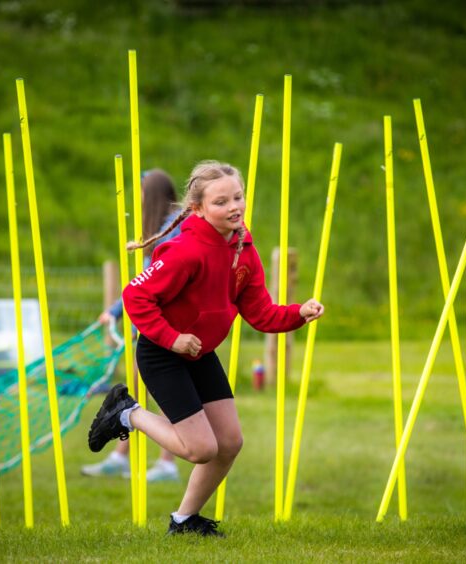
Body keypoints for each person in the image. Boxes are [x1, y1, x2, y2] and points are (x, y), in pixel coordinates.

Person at [86, 161, 324, 536]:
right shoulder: (184, 250)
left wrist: (299, 314)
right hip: (162, 352)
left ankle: (184, 521)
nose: (234, 207)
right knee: (200, 449)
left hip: (198, 353)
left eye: (238, 197)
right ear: (197, 209)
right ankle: (126, 414)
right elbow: (135, 296)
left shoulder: (244, 249)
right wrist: (172, 337)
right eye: (221, 202)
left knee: (229, 443)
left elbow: (260, 312)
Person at [82, 169, 183, 482]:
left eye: (140, 192)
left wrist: (118, 308)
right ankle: (122, 457)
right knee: (136, 392)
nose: (137, 198)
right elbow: (143, 282)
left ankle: (167, 463)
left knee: (165, 395)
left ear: (151, 194)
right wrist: (115, 310)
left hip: (164, 327)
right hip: (148, 325)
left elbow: (153, 282)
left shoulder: (171, 231)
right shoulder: (158, 230)